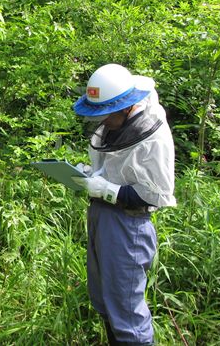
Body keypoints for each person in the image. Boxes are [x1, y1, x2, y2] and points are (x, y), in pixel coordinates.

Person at [71, 63, 176, 345]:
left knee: (126, 311)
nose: (102, 120)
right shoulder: (115, 123)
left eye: (106, 115)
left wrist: (107, 190)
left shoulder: (152, 138)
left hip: (128, 224)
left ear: (125, 107)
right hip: (101, 217)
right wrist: (92, 177)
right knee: (104, 299)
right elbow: (112, 166)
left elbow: (156, 194)